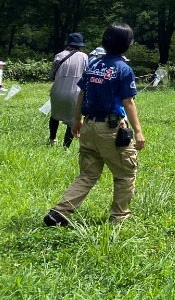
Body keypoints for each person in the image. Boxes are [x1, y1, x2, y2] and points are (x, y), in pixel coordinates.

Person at [44, 23, 146, 226]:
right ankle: (118, 219)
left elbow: (82, 92)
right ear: (127, 44)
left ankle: (59, 213)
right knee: (125, 174)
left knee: (88, 174)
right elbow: (128, 101)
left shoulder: (94, 65)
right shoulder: (123, 69)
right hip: (111, 129)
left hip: (89, 126)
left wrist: (78, 120)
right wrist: (138, 132)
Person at [48, 33, 89, 147]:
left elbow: (51, 74)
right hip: (74, 93)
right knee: (72, 120)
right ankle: (66, 146)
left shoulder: (59, 55)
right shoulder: (84, 57)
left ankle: (52, 140)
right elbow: (86, 75)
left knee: (54, 115)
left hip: (57, 91)